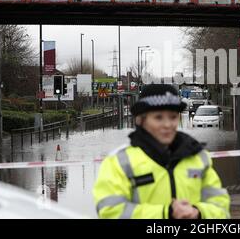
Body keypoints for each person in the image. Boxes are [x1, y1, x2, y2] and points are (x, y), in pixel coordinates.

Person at [93, 84, 230, 219]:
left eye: (173, 117)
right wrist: (166, 213)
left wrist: (197, 213)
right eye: (158, 117)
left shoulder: (199, 157)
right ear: (140, 120)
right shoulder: (119, 162)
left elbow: (221, 207)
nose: (167, 124)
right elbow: (109, 212)